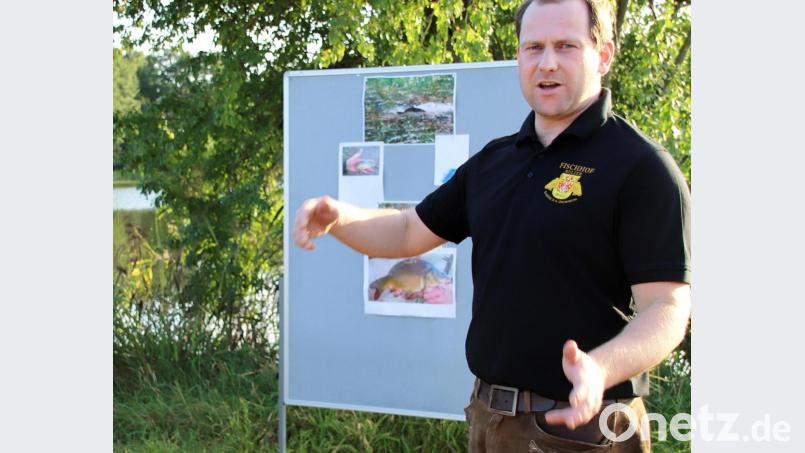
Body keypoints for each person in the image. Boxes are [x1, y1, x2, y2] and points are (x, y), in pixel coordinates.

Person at [293, 0, 691, 450]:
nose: (547, 63)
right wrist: (342, 216)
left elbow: (668, 309)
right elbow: (407, 231)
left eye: (566, 46)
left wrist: (600, 368)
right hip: (488, 419)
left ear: (603, 55)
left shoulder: (641, 167)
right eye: (533, 47)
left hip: (582, 428)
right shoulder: (494, 162)